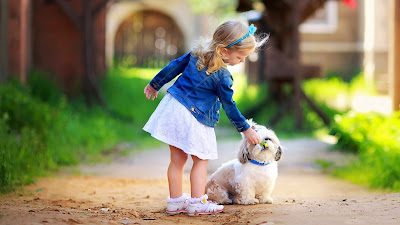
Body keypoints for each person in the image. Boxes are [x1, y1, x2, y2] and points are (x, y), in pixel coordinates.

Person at [143, 20, 268, 216]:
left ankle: (175, 202)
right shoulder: (223, 77)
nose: (242, 61)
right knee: (201, 160)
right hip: (193, 117)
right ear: (225, 51)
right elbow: (229, 106)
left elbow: (173, 67)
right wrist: (246, 128)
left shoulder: (196, 54)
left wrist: (154, 84)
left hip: (173, 109)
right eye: (241, 56)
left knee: (177, 160)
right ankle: (197, 203)